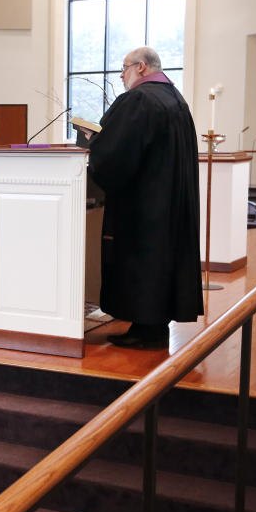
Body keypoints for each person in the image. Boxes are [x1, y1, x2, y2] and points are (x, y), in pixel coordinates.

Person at [85, 46, 203, 349]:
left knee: (144, 261)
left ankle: (145, 330)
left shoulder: (139, 99)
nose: (121, 75)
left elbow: (114, 152)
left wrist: (92, 141)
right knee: (163, 261)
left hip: (145, 205)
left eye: (123, 68)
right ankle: (153, 327)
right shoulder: (176, 99)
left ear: (140, 67)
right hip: (170, 202)